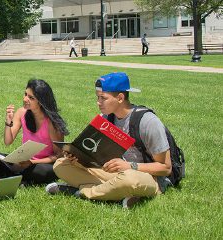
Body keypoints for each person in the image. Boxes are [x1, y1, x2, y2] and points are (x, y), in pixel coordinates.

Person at [46, 72, 172, 209]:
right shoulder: (106, 118)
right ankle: (116, 194)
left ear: (120, 98)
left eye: (103, 98)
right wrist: (77, 157)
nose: (98, 102)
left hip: (147, 177)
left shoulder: (148, 122)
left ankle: (81, 192)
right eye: (97, 97)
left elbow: (165, 168)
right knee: (61, 164)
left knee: (128, 180)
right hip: (114, 172)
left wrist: (131, 166)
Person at [3, 79, 69, 185]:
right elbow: (7, 142)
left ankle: (16, 175)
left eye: (31, 98)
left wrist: (32, 162)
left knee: (41, 171)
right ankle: (19, 175)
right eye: (25, 94)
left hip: (42, 164)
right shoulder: (21, 113)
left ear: (41, 102)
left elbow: (58, 155)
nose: (25, 99)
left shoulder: (52, 123)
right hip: (23, 161)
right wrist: (8, 122)